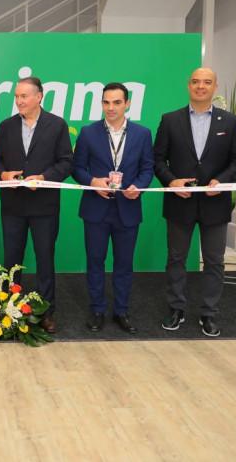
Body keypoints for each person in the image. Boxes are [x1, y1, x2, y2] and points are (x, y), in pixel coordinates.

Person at [154, 67, 236, 337]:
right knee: (176, 258)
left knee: (214, 260)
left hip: (215, 204)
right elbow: (157, 159)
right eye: (195, 82)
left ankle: (209, 313)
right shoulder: (170, 120)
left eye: (207, 82)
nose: (200, 86)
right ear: (189, 85)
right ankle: (176, 308)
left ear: (215, 87)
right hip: (179, 202)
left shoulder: (230, 122)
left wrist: (222, 181)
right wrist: (171, 182)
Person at [0, 76, 73, 334]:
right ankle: (9, 310)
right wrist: (3, 175)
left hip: (44, 207)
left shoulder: (57, 125)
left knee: (44, 259)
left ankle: (45, 312)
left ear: (39, 97)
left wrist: (44, 178)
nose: (19, 101)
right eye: (16, 96)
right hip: (12, 206)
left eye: (24, 96)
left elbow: (66, 163)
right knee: (11, 261)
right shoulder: (6, 126)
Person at [72, 82, 154, 335]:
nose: (111, 107)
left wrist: (139, 186)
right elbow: (77, 168)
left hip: (128, 209)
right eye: (106, 102)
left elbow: (147, 169)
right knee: (95, 261)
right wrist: (92, 182)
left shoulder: (142, 134)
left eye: (117, 102)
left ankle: (121, 311)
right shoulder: (88, 133)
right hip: (96, 209)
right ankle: (97, 310)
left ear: (127, 104)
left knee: (124, 264)